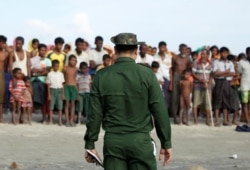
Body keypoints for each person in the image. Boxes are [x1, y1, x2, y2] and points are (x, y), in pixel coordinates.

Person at [84, 33, 172, 170]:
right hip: (140, 141)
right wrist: (166, 143)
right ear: (136, 51)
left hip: (113, 142)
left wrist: (90, 144)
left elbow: (94, 113)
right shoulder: (147, 74)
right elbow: (159, 110)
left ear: (116, 51)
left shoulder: (101, 76)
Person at [212, 47, 235, 126]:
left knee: (226, 102)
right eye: (223, 53)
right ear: (220, 53)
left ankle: (225, 120)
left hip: (227, 82)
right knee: (218, 101)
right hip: (219, 82)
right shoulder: (216, 62)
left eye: (226, 53)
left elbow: (232, 73)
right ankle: (216, 120)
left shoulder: (230, 63)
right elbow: (215, 73)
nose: (224, 54)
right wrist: (226, 72)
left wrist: (222, 73)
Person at [170, 44, 191, 124]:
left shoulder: (188, 58)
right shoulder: (175, 57)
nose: (183, 51)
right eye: (182, 49)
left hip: (184, 78)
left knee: (184, 97)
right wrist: (171, 82)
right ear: (179, 49)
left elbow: (189, 69)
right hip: (176, 76)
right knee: (175, 97)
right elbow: (171, 69)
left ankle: (184, 118)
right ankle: (175, 117)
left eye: (185, 49)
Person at [30, 44, 52, 123]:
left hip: (43, 81)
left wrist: (37, 73)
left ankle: (44, 117)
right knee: (30, 99)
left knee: (43, 100)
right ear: (38, 50)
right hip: (33, 80)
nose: (43, 52)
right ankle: (29, 118)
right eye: (41, 50)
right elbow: (31, 71)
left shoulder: (48, 61)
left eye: (44, 50)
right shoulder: (33, 59)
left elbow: (47, 72)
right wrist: (39, 71)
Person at [192, 49, 213, 125]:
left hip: (207, 87)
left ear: (208, 55)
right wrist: (201, 80)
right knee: (195, 103)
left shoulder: (211, 64)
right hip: (197, 85)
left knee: (208, 103)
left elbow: (211, 75)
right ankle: (195, 120)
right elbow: (193, 73)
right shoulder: (196, 62)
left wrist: (209, 83)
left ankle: (207, 120)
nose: (203, 55)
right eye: (202, 54)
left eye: (204, 54)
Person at [154, 41, 172, 108]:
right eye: (161, 47)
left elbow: (170, 70)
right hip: (157, 79)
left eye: (164, 47)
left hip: (167, 79)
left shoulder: (169, 57)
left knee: (166, 97)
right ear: (159, 48)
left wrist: (171, 83)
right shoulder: (154, 57)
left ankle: (165, 113)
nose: (163, 49)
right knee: (158, 97)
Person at [46, 60, 65, 125]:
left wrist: (63, 94)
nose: (56, 67)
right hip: (52, 90)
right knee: (51, 107)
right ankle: (51, 120)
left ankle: (60, 120)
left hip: (59, 90)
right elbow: (48, 84)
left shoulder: (61, 74)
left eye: (57, 66)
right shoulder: (49, 74)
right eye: (55, 66)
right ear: (52, 66)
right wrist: (49, 94)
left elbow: (62, 84)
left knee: (60, 107)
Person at [63, 55, 78, 127]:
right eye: (72, 60)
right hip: (66, 86)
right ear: (69, 60)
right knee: (67, 104)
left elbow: (75, 80)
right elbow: (63, 79)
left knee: (73, 104)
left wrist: (77, 91)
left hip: (73, 87)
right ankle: (67, 120)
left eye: (75, 60)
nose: (74, 62)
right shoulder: (65, 68)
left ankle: (72, 120)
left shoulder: (76, 69)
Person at [238, 47, 250, 126]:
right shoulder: (241, 62)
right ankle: (247, 120)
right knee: (245, 104)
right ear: (247, 54)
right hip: (245, 86)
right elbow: (239, 74)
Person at [0, 35, 9, 122]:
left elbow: (11, 51)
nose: (3, 45)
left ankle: (1, 117)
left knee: (1, 97)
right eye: (2, 43)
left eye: (4, 43)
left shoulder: (5, 53)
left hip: (1, 74)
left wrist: (6, 47)